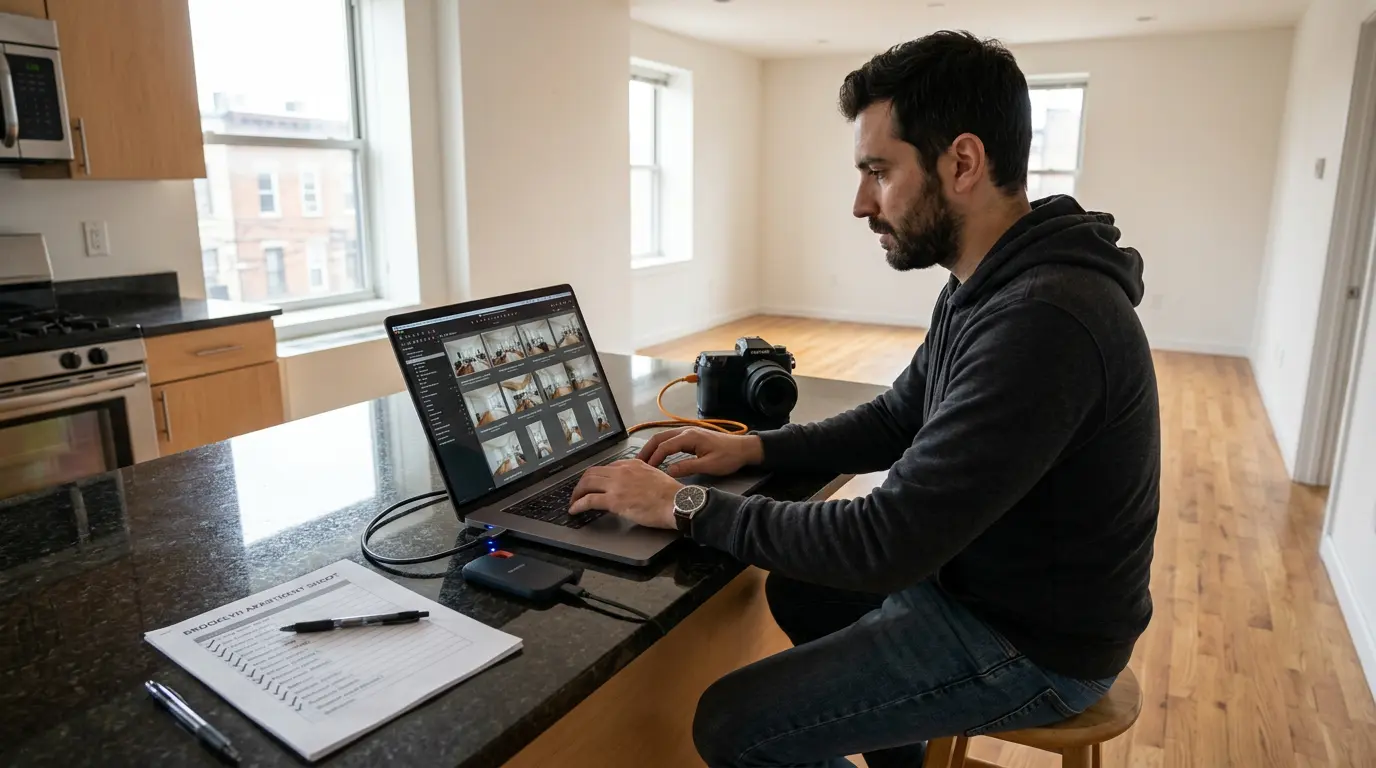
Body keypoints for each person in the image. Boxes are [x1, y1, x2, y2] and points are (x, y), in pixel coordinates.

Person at [570, 30, 1160, 768]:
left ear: (963, 162)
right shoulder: (990, 281)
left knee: (732, 724)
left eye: (878, 171)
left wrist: (681, 505)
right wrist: (754, 447)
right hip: (988, 583)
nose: (860, 203)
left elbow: (886, 542)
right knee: (801, 590)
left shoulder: (1045, 318)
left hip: (1036, 642)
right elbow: (897, 416)